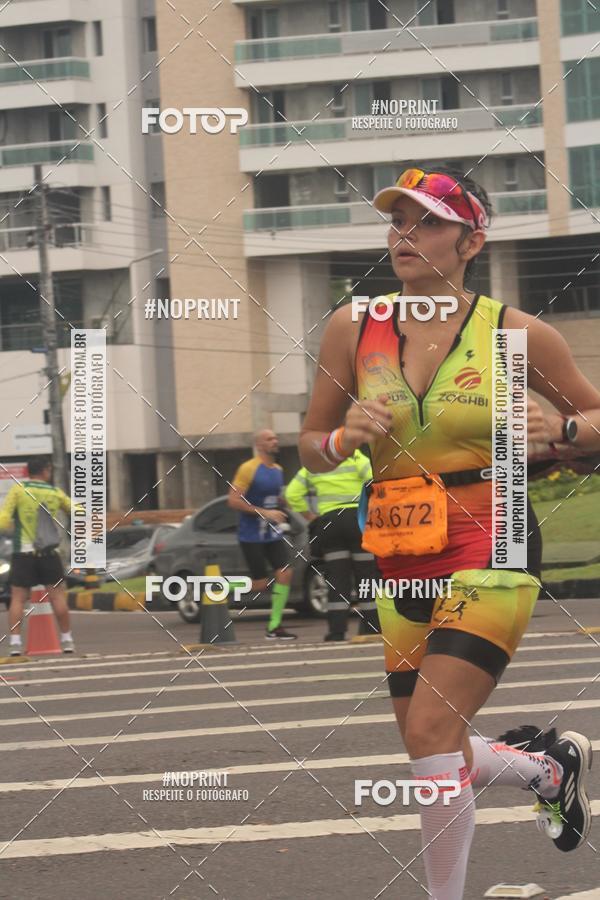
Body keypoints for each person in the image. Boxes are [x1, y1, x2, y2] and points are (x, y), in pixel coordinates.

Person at [299, 165, 600, 898]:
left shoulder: (517, 334)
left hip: (492, 536)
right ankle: (546, 769)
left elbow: (594, 423)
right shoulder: (354, 325)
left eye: (427, 222)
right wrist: (343, 438)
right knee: (426, 741)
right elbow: (308, 440)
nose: (405, 234)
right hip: (402, 545)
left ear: (472, 239)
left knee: (433, 732)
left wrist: (561, 428)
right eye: (398, 221)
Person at [285, 449, 380, 640]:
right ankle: (371, 627)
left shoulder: (316, 462)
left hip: (329, 523)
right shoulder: (354, 456)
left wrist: (311, 517)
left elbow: (292, 494)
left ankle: (337, 631)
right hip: (357, 520)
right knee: (366, 575)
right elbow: (372, 478)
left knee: (337, 578)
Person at [0, 456, 75, 655]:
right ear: (46, 471)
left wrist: (9, 526)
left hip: (23, 552)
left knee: (18, 598)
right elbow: (76, 510)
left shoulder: (18, 490)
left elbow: (3, 518)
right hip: (49, 553)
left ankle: (15, 643)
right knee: (57, 597)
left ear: (27, 472)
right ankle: (67, 640)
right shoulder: (54, 492)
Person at [228, 429, 296, 640]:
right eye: (269, 439)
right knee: (259, 585)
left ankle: (274, 626)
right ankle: (214, 585)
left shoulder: (278, 469)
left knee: (285, 573)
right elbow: (233, 500)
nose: (275, 441)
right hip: (251, 535)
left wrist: (284, 505)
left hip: (271, 534)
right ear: (259, 445)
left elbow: (276, 500)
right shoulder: (248, 469)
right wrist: (265, 512)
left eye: (276, 437)